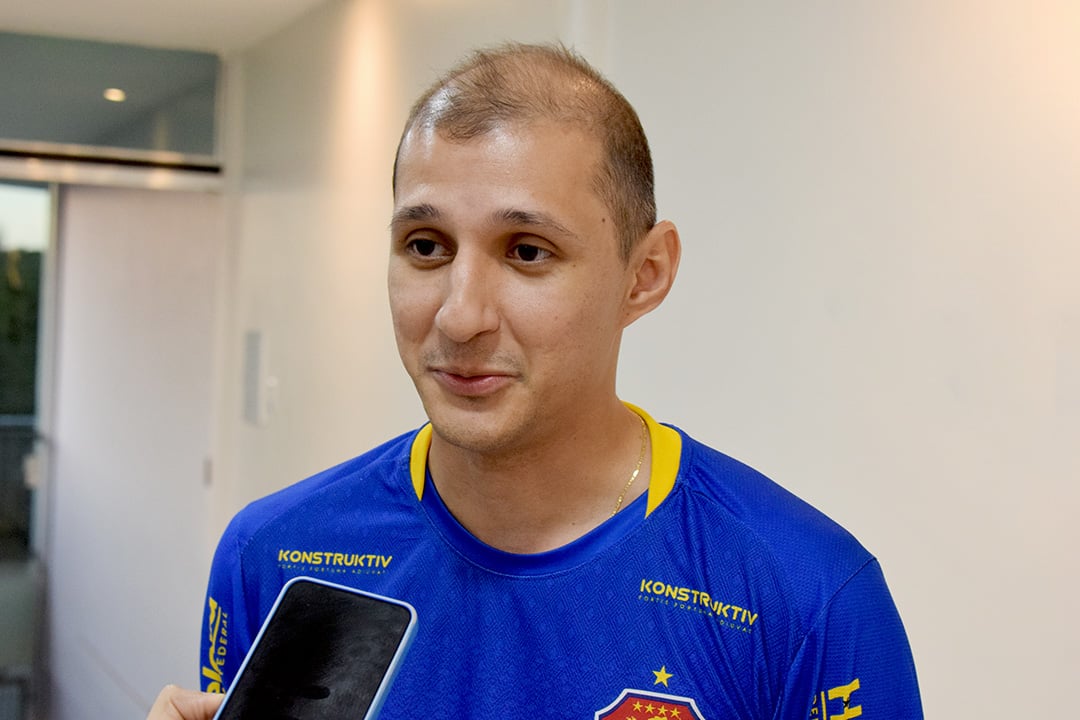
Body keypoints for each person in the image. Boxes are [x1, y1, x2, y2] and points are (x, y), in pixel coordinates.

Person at [152, 42, 922, 719]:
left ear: (645, 274)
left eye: (527, 252)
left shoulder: (804, 598)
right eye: (425, 246)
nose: (460, 316)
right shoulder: (276, 556)